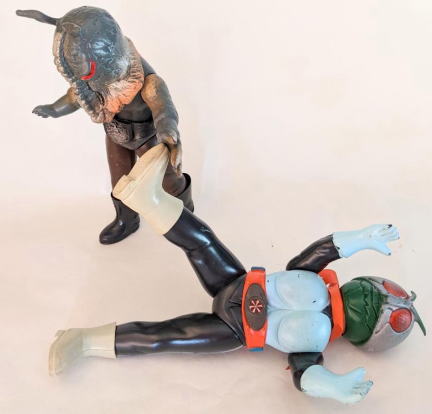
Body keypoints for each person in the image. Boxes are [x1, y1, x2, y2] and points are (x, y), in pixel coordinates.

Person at [49, 144, 425, 404]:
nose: (376, 300)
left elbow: (305, 375)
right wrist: (360, 238)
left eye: (388, 312)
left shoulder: (313, 346)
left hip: (232, 330)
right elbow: (322, 250)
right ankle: (148, 198)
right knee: (202, 241)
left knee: (164, 336)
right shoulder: (313, 279)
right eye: (382, 293)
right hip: (236, 282)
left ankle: (83, 340)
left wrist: (331, 386)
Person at [16, 7, 193, 244]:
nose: (85, 77)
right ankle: (126, 220)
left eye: (87, 68)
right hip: (115, 133)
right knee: (120, 182)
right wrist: (54, 109)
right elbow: (75, 96)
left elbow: (163, 108)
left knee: (169, 178)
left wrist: (168, 130)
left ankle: (185, 213)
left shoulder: (145, 80)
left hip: (149, 137)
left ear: (106, 51)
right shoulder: (95, 77)